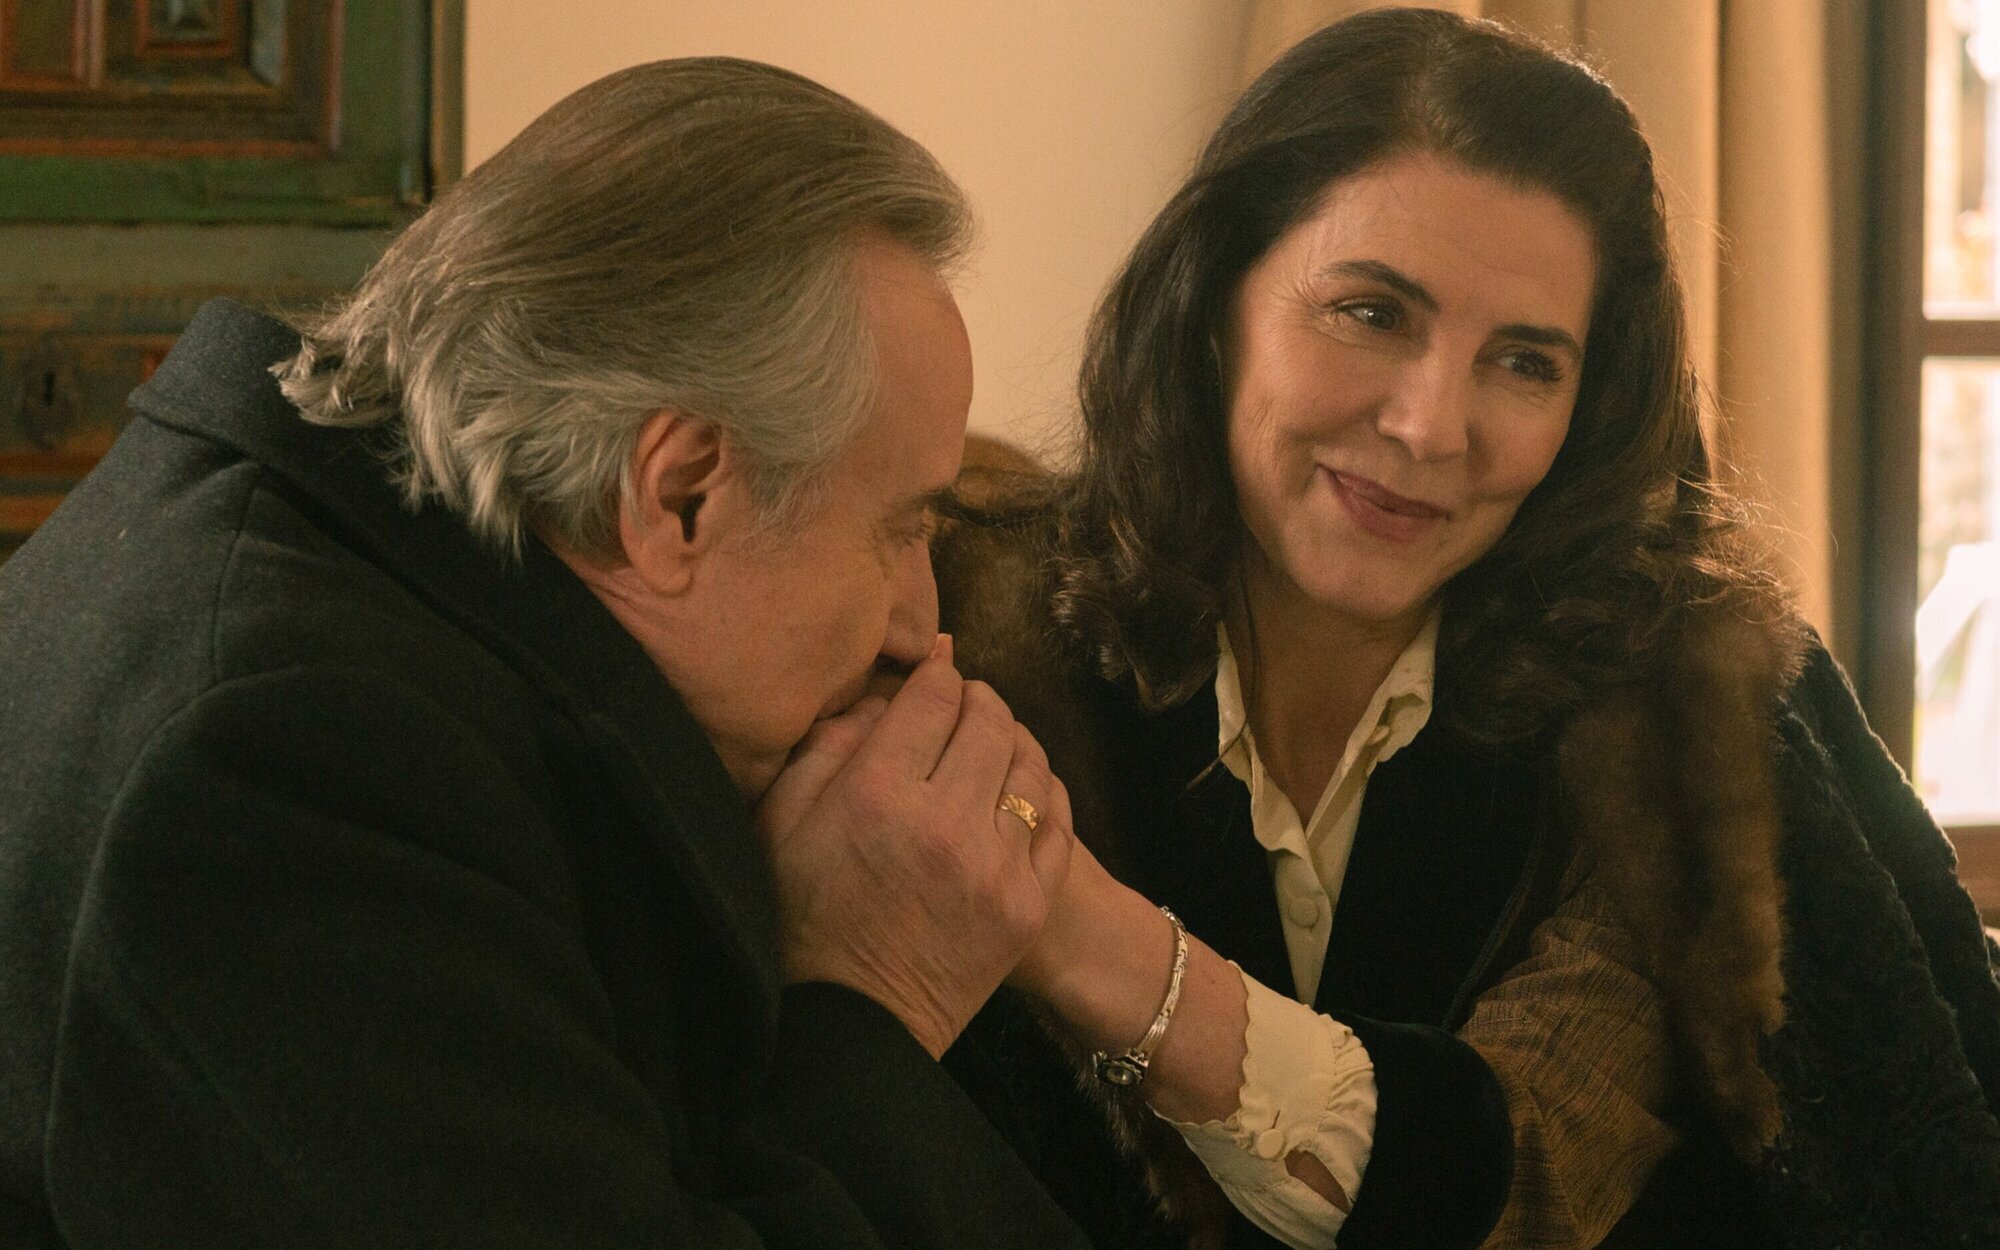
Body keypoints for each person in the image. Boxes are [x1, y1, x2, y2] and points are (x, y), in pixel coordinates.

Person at [935, 9, 2000, 1249]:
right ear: (1212, 302)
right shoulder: (970, 644)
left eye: (1524, 362)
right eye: (1369, 313)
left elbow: (1532, 1176)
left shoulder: (1666, 716)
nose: (1431, 426)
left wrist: (1081, 930)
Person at [0, 58, 1091, 1248]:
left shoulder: (337, 599)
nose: (918, 625)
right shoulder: (293, 768)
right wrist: (873, 1001)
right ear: (677, 495)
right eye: (902, 529)